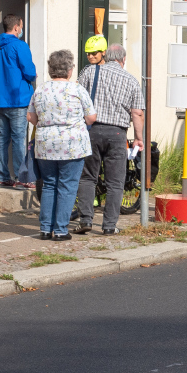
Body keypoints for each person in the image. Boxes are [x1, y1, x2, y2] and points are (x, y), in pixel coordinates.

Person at [75, 39, 144, 235]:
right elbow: (137, 113)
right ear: (123, 60)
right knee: (115, 182)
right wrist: (138, 138)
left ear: (106, 55)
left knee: (88, 177)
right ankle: (109, 226)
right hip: (117, 133)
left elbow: (77, 95)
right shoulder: (131, 80)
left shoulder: (89, 71)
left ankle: (86, 220)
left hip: (92, 131)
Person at [27, 49, 95, 241]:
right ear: (69, 70)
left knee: (49, 184)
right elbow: (91, 118)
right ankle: (61, 229)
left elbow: (31, 117)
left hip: (46, 144)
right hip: (72, 145)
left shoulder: (40, 90)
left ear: (51, 69)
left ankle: (46, 228)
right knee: (67, 185)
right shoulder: (77, 90)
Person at [0, 13, 36, 190]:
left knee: (2, 140)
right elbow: (29, 71)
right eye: (21, 27)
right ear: (16, 28)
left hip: (0, 100)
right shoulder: (20, 46)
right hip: (18, 99)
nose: (21, 30)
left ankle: (2, 176)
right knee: (20, 140)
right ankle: (22, 177)